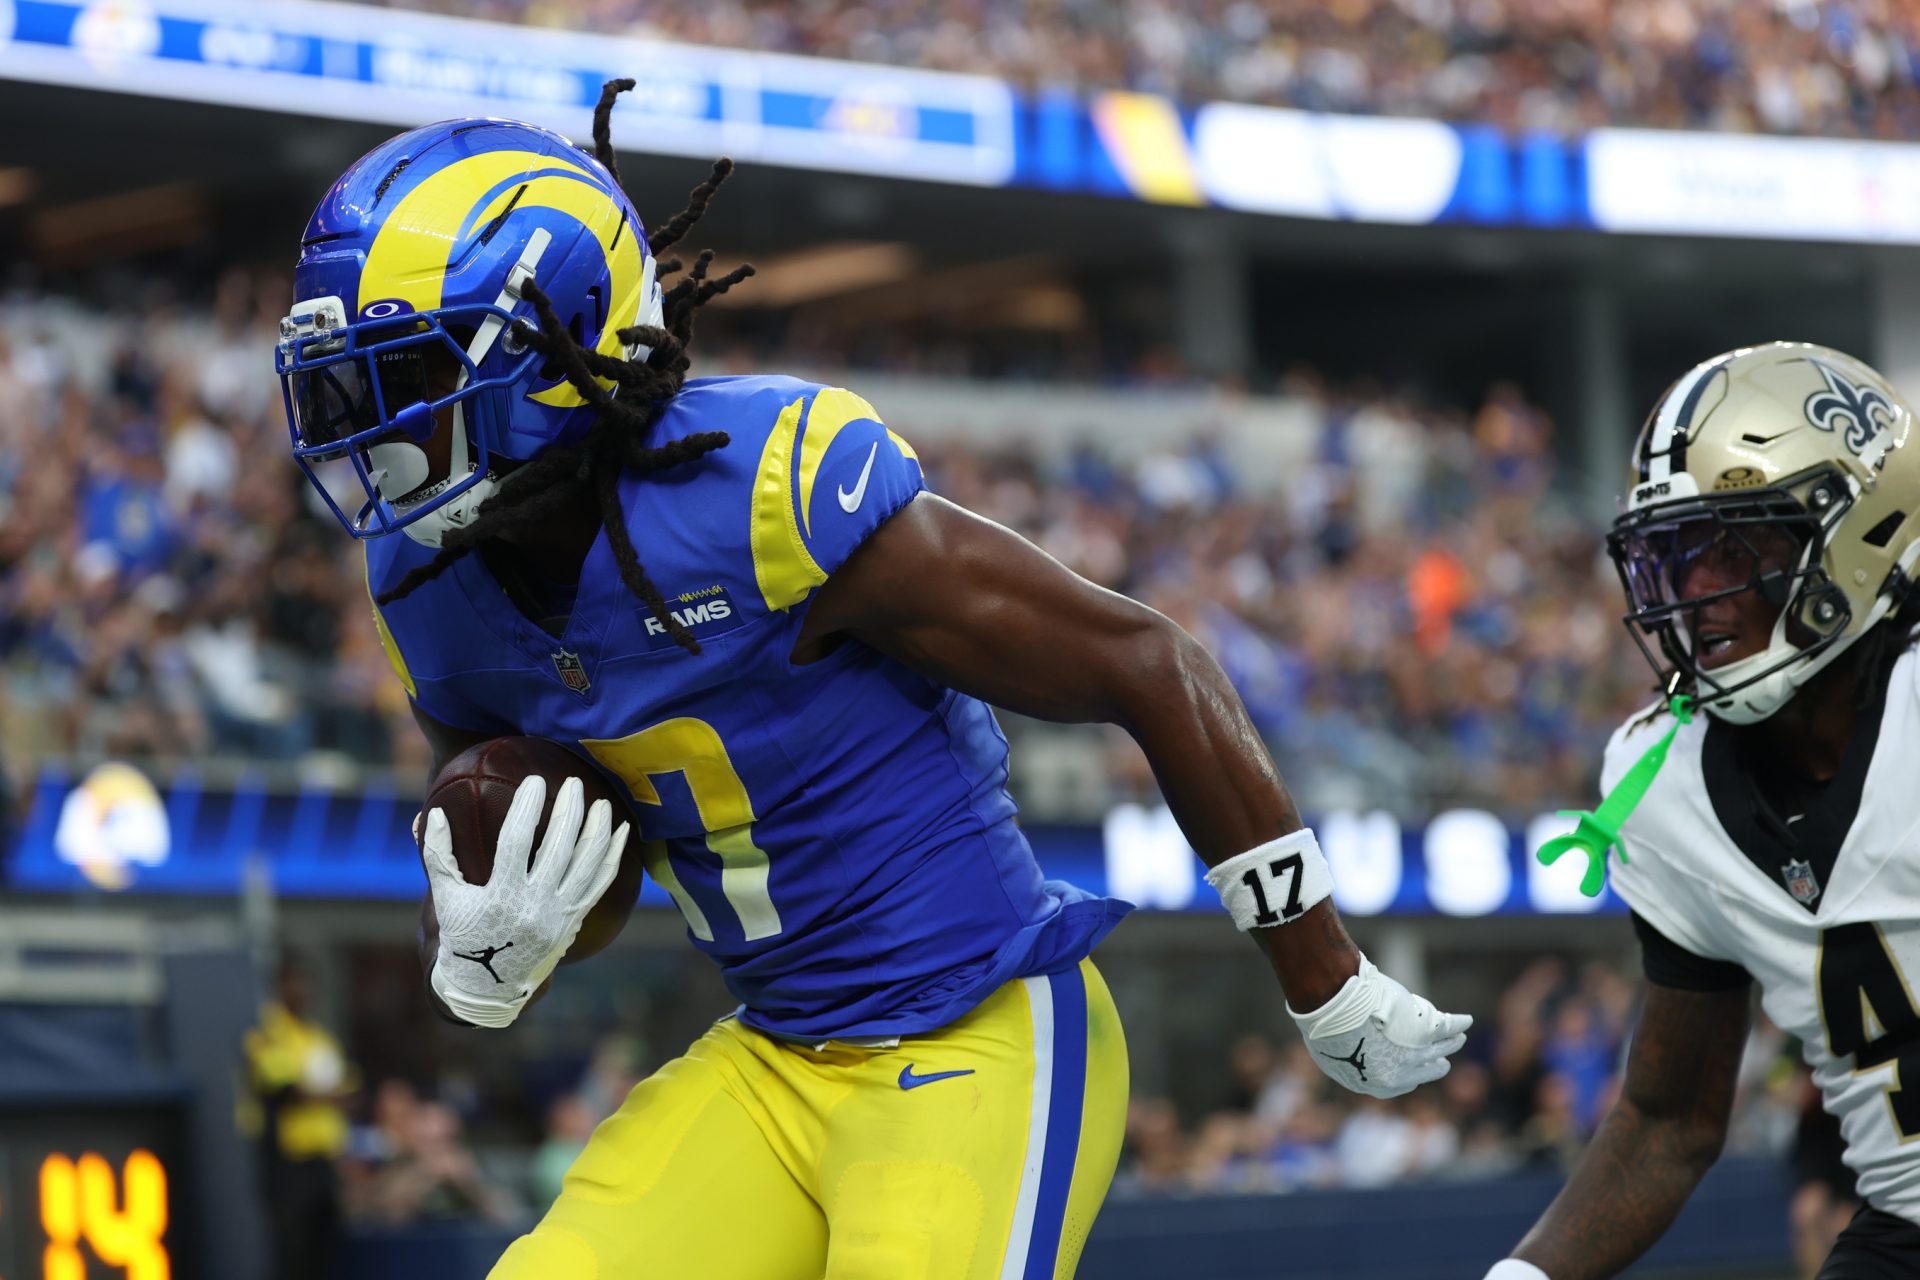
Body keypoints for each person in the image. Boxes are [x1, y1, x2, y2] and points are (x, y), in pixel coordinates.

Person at [275, 80, 1469, 1280]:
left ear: (558, 347)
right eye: (343, 387)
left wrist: (1326, 976)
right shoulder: (424, 580)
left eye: (403, 376)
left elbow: (1145, 662)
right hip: (774, 1058)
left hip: (980, 1029)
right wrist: (481, 951)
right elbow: (546, 850)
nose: (361, 429)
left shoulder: (758, 491)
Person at [1483, 342, 1920, 1280]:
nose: (1693, 594)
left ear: (1860, 528)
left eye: (1731, 546)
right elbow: (1669, 1118)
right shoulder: (1666, 785)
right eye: (1670, 555)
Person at [243, 960, 353, 1280]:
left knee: (326, 1249)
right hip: (287, 1162)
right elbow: (282, 1090)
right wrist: (326, 1097)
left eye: (306, 984)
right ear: (279, 988)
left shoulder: (318, 1037)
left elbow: (347, 1088)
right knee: (292, 1251)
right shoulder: (268, 1030)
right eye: (294, 983)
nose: (302, 992)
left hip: (324, 1160)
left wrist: (330, 1097)